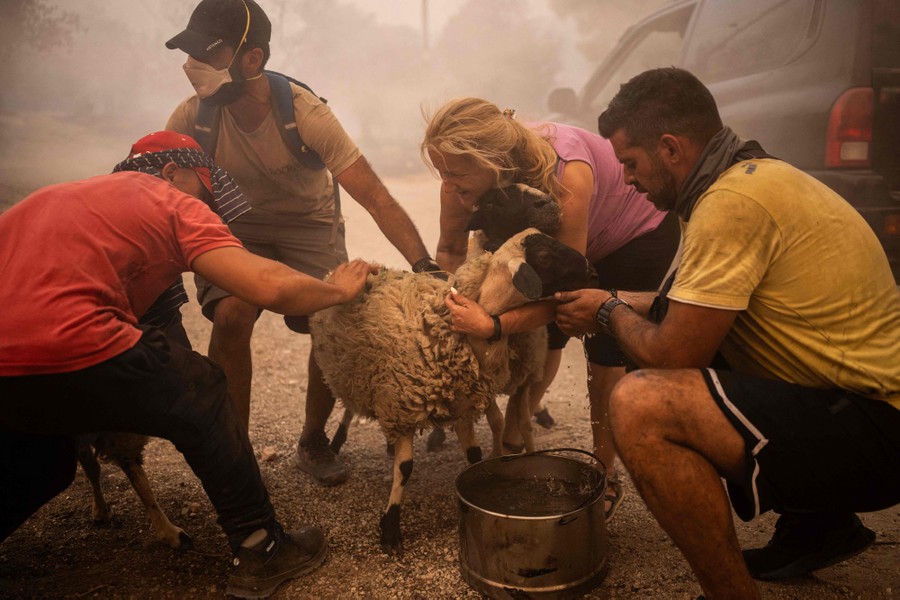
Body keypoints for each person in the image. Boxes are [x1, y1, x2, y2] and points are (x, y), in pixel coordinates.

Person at [553, 67, 900, 598]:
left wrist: (607, 312)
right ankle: (818, 527)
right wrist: (617, 300)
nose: (626, 180)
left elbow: (674, 351)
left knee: (642, 403)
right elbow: (690, 306)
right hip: (858, 405)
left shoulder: (731, 205)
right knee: (691, 342)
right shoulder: (745, 178)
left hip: (879, 431)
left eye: (631, 163)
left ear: (670, 148)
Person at [0, 131, 375, 599]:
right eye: (207, 189)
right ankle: (262, 546)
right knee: (203, 387)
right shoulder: (167, 199)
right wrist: (340, 291)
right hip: (77, 338)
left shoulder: (55, 199)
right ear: (171, 173)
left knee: (47, 460)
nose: (212, 206)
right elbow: (267, 285)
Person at [164, 0, 438, 486]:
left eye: (211, 53)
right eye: (190, 54)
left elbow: (373, 196)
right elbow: (156, 197)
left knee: (327, 319)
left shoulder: (304, 113)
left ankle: (312, 438)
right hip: (236, 227)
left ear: (253, 59)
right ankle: (233, 449)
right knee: (231, 314)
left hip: (308, 224)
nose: (194, 68)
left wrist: (424, 263)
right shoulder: (191, 119)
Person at [423, 97, 679, 520]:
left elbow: (566, 292)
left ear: (492, 160)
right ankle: (514, 432)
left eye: (453, 172)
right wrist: (454, 304)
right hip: (563, 240)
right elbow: (450, 250)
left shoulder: (566, 176)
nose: (446, 183)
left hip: (635, 233)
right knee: (528, 321)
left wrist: (493, 325)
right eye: (439, 172)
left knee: (599, 342)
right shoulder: (461, 181)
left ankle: (603, 471)